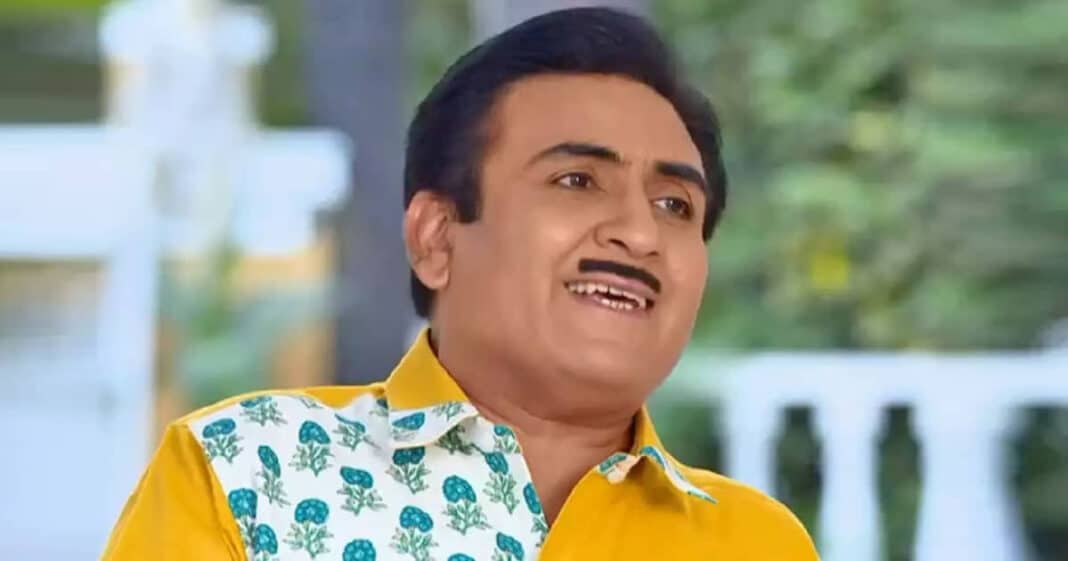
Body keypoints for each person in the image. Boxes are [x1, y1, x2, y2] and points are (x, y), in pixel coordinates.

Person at [102, 7, 818, 561]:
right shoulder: (246, 471)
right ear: (436, 238)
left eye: (675, 204)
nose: (639, 233)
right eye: (577, 180)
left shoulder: (755, 540)